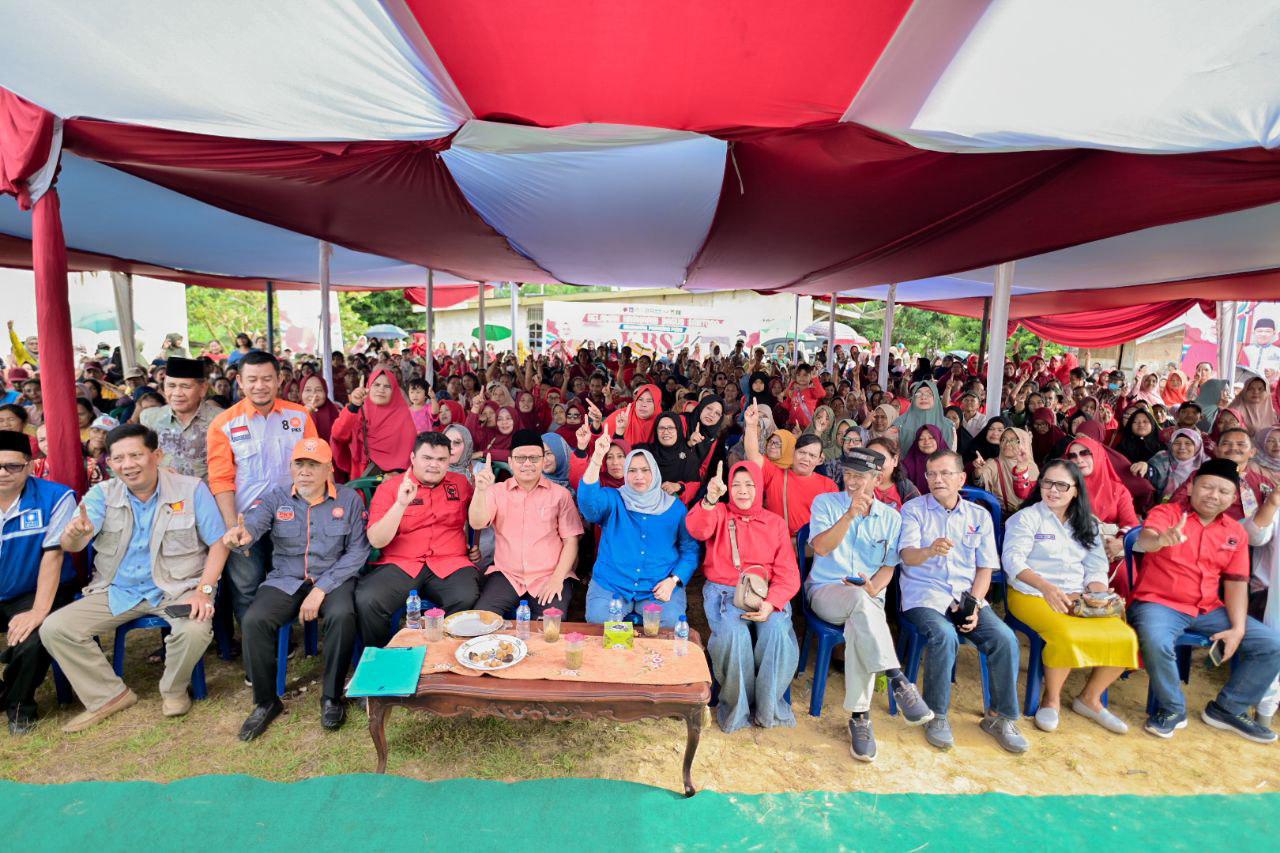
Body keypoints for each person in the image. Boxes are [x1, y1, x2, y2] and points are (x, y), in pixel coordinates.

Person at [42, 424, 229, 732]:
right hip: (118, 589)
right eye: (118, 458)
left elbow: (219, 543)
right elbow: (74, 544)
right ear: (110, 463)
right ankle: (109, 696)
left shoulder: (191, 488)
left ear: (156, 455)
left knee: (194, 630)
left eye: (135, 455)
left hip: (177, 588)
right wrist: (73, 535)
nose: (127, 465)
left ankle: (173, 689)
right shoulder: (102, 494)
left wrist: (204, 591)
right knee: (56, 628)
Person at [222, 438, 369, 739]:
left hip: (333, 578)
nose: (305, 471)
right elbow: (253, 525)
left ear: (329, 468)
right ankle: (265, 702)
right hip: (286, 579)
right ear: (290, 467)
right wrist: (241, 535)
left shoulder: (349, 499)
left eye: (313, 465)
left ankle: (332, 697)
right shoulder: (276, 498)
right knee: (254, 620)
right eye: (299, 464)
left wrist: (321, 589)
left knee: (342, 616)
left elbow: (357, 552)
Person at [1130, 458, 1280, 742]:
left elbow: (1236, 582)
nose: (1214, 495)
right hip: (1159, 603)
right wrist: (1162, 540)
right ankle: (1173, 709)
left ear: (1233, 497)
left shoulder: (1235, 531)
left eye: (1223, 491)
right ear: (1191, 488)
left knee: (1271, 644)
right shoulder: (1168, 513)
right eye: (1207, 487)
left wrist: (1237, 628)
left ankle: (1228, 708)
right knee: (1156, 639)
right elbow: (1146, 540)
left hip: (1208, 609)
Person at [807, 447, 934, 762]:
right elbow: (820, 548)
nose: (851, 481)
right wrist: (849, 515)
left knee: (860, 618)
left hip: (868, 596)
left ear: (877, 478)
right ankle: (896, 678)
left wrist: (873, 587)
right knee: (859, 604)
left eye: (860, 476)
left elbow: (890, 566)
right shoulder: (825, 503)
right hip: (826, 589)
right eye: (848, 474)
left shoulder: (891, 517)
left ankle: (860, 717)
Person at [898, 450, 1027, 753]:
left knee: (1005, 639)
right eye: (931, 474)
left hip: (966, 596)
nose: (937, 479)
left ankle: (1000, 717)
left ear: (961, 478)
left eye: (944, 473)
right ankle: (937, 715)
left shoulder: (978, 516)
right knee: (943, 635)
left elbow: (985, 568)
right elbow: (907, 556)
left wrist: (973, 605)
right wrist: (929, 550)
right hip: (924, 594)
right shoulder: (914, 510)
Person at [1004, 460, 1138, 734]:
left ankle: (1090, 698)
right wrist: (1046, 587)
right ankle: (1050, 700)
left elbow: (1096, 566)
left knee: (1126, 636)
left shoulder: (1086, 523)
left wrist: (1098, 591)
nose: (1053, 490)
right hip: (1030, 593)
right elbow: (1012, 561)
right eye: (1047, 483)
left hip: (1078, 596)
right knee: (1065, 634)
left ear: (1075, 491)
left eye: (1061, 485)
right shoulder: (1027, 518)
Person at [684, 460, 799, 734]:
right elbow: (696, 529)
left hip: (765, 593)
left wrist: (771, 603)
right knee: (734, 635)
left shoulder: (775, 523)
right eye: (736, 485)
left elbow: (788, 573)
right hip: (724, 592)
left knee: (777, 632)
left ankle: (767, 708)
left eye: (749, 485)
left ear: (759, 488)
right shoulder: (720, 513)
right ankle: (737, 710)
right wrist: (710, 499)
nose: (743, 491)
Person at [207, 351, 317, 629]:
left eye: (267, 378)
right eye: (252, 379)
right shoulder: (224, 424)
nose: (260, 385)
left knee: (290, 581)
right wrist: (233, 527)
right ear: (240, 382)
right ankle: (256, 645)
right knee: (247, 585)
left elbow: (316, 466)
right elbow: (221, 479)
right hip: (246, 520)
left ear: (279, 380)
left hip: (293, 517)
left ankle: (287, 637)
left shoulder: (300, 416)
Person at [357, 432, 480, 645]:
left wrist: (475, 542)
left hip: (450, 562)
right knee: (369, 599)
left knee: (466, 596)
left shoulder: (460, 484)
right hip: (402, 563)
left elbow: (479, 519)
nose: (434, 465)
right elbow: (376, 540)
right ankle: (384, 658)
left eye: (441, 459)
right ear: (413, 458)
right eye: (427, 458)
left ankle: (444, 654)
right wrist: (401, 504)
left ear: (450, 460)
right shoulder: (390, 488)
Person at [0, 430, 78, 734]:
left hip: (37, 588)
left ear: (30, 466)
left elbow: (53, 557)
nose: (3, 473)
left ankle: (19, 705)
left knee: (33, 636)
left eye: (12, 466)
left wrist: (38, 610)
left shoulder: (56, 497)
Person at [578, 437, 698, 626]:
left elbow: (690, 551)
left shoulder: (675, 508)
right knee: (599, 622)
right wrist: (597, 458)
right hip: (611, 584)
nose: (638, 476)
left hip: (657, 587)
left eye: (645, 470)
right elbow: (588, 505)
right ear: (625, 473)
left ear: (655, 472)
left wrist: (673, 580)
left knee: (669, 624)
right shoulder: (614, 499)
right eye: (632, 470)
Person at [469, 430, 583, 617]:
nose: (528, 463)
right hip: (507, 575)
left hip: (549, 575)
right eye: (521, 458)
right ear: (511, 462)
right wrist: (481, 490)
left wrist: (557, 579)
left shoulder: (560, 494)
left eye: (534, 458)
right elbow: (477, 522)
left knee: (551, 623)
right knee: (483, 618)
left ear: (542, 460)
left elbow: (571, 541)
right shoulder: (496, 491)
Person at [743, 399, 837, 535]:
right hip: (778, 545)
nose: (806, 458)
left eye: (812, 455)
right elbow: (753, 455)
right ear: (793, 453)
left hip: (811, 551)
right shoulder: (775, 474)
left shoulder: (829, 486)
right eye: (802, 453)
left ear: (820, 460)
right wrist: (751, 426)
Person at [139, 357, 223, 480]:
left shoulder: (222, 420)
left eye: (185, 386)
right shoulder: (149, 418)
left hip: (208, 496)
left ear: (203, 388)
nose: (177, 393)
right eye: (171, 385)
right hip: (164, 494)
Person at [330, 367, 416, 479]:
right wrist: (354, 406)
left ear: (394, 390)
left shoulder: (404, 417)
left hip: (395, 483)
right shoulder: (357, 411)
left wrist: (397, 474)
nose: (381, 389)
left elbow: (408, 454)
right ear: (368, 387)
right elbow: (338, 434)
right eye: (376, 385)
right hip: (361, 479)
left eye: (387, 386)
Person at [973, 426, 1037, 514]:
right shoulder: (993, 464)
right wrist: (978, 471)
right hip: (1002, 517)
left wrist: (1021, 469)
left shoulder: (1032, 467)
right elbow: (979, 482)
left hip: (1028, 517)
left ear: (1024, 443)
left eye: (1013, 440)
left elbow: (1028, 496)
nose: (1007, 444)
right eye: (1003, 440)